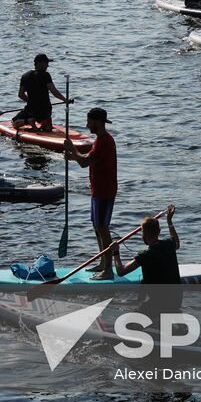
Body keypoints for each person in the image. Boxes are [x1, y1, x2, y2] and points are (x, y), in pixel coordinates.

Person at [64, 107, 117, 280]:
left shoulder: (105, 141)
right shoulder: (99, 140)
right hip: (97, 189)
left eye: (89, 122)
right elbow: (89, 158)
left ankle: (108, 270)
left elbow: (85, 162)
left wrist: (72, 149)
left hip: (105, 191)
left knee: (103, 228)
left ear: (98, 122)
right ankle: (103, 262)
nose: (87, 125)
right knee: (97, 226)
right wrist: (74, 155)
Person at [110, 204, 181, 284]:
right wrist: (169, 221)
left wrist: (115, 252)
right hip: (176, 295)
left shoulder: (145, 256)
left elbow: (121, 272)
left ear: (143, 234)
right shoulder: (169, 244)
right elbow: (177, 242)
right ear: (159, 231)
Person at [13, 53, 70, 132]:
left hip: (31, 109)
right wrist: (65, 100)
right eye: (46, 63)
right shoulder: (46, 75)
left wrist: (31, 101)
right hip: (45, 110)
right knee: (47, 128)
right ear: (40, 63)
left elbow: (21, 95)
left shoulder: (25, 76)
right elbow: (54, 91)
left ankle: (28, 121)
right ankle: (44, 124)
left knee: (14, 123)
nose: (48, 66)